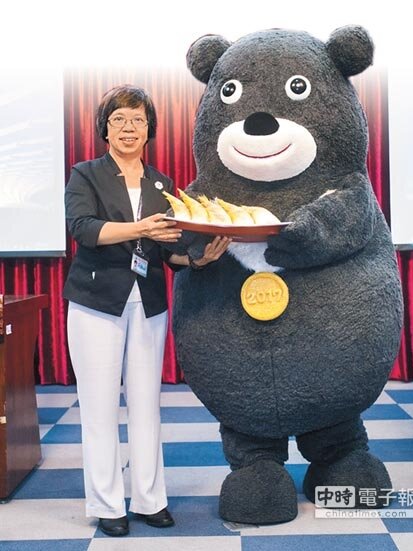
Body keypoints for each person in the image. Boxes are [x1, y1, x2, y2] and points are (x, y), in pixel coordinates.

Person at [64, 84, 230, 537]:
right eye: (119, 119)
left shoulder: (162, 184)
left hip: (148, 304)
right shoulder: (85, 175)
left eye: (138, 119)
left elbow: (166, 251)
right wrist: (141, 229)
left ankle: (150, 500)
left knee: (146, 407)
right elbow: (84, 229)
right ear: (105, 129)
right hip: (96, 303)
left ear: (149, 129)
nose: (129, 128)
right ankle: (107, 504)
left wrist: (199, 260)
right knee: (99, 408)